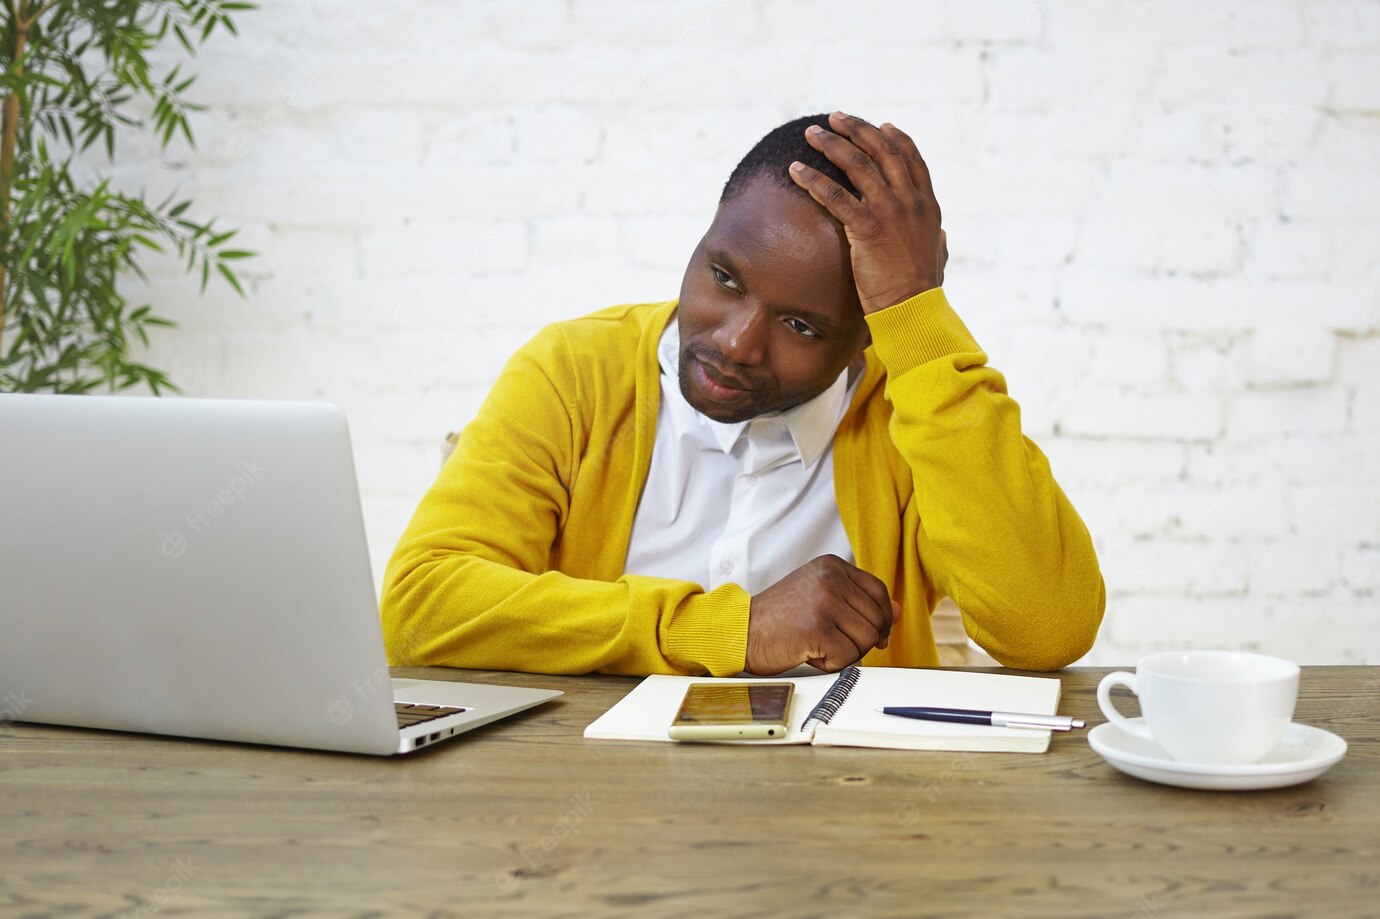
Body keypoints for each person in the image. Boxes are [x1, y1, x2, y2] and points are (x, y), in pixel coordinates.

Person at [380, 111, 1105, 677]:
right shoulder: (574, 370)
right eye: (724, 276)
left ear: (866, 335)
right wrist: (734, 629)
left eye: (800, 324)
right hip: (596, 808)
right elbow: (421, 608)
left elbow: (1049, 627)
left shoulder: (912, 409)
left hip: (853, 819)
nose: (735, 342)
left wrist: (916, 315)